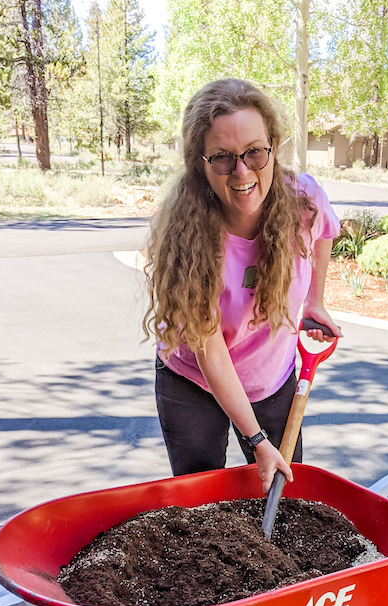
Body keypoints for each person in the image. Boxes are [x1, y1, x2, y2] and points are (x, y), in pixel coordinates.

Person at [143, 78, 343, 495]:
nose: (242, 171)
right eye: (222, 158)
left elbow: (324, 231)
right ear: (201, 163)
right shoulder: (187, 241)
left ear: (272, 146)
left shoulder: (303, 200)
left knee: (283, 496)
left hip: (272, 379)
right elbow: (211, 353)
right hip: (194, 382)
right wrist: (257, 441)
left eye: (255, 152)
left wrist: (314, 300)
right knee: (201, 499)